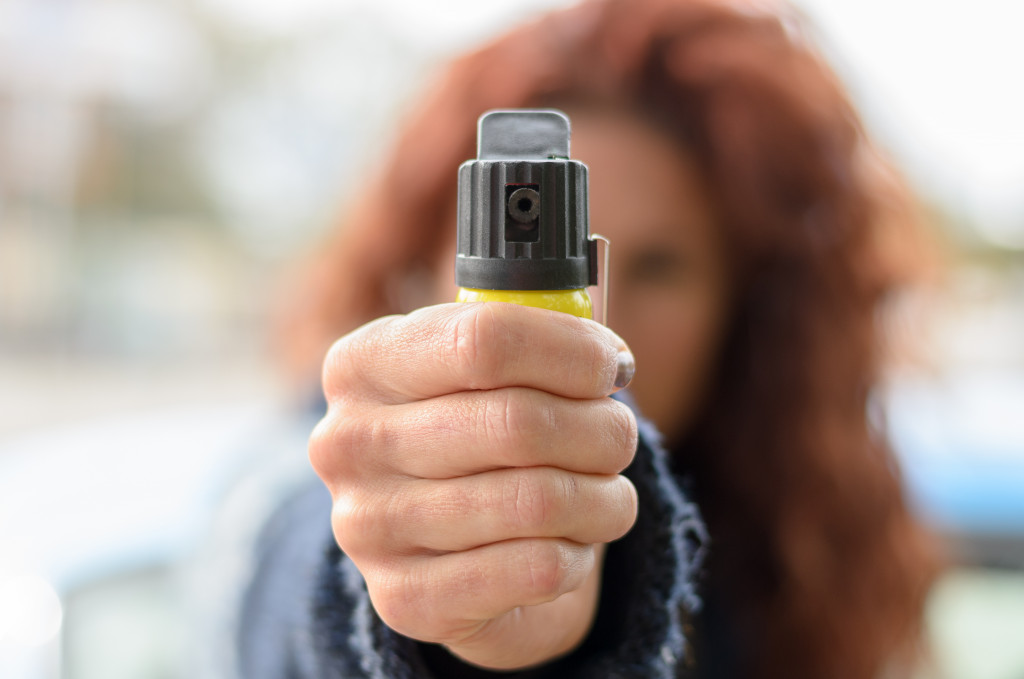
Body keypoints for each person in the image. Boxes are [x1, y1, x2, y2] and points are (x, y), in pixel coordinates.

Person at [240, 0, 940, 677]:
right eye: (525, 257)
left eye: (660, 266)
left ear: (742, 310)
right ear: (418, 269)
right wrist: (398, 593)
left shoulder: (792, 537)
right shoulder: (304, 465)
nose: (599, 320)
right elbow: (268, 580)